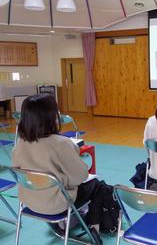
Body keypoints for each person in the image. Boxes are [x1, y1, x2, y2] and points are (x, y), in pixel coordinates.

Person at [12, 94, 104, 245]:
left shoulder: (20, 143)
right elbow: (80, 175)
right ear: (52, 116)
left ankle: (62, 224)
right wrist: (62, 179)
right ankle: (94, 227)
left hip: (29, 201)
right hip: (57, 203)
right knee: (96, 184)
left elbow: (19, 170)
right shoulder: (61, 143)